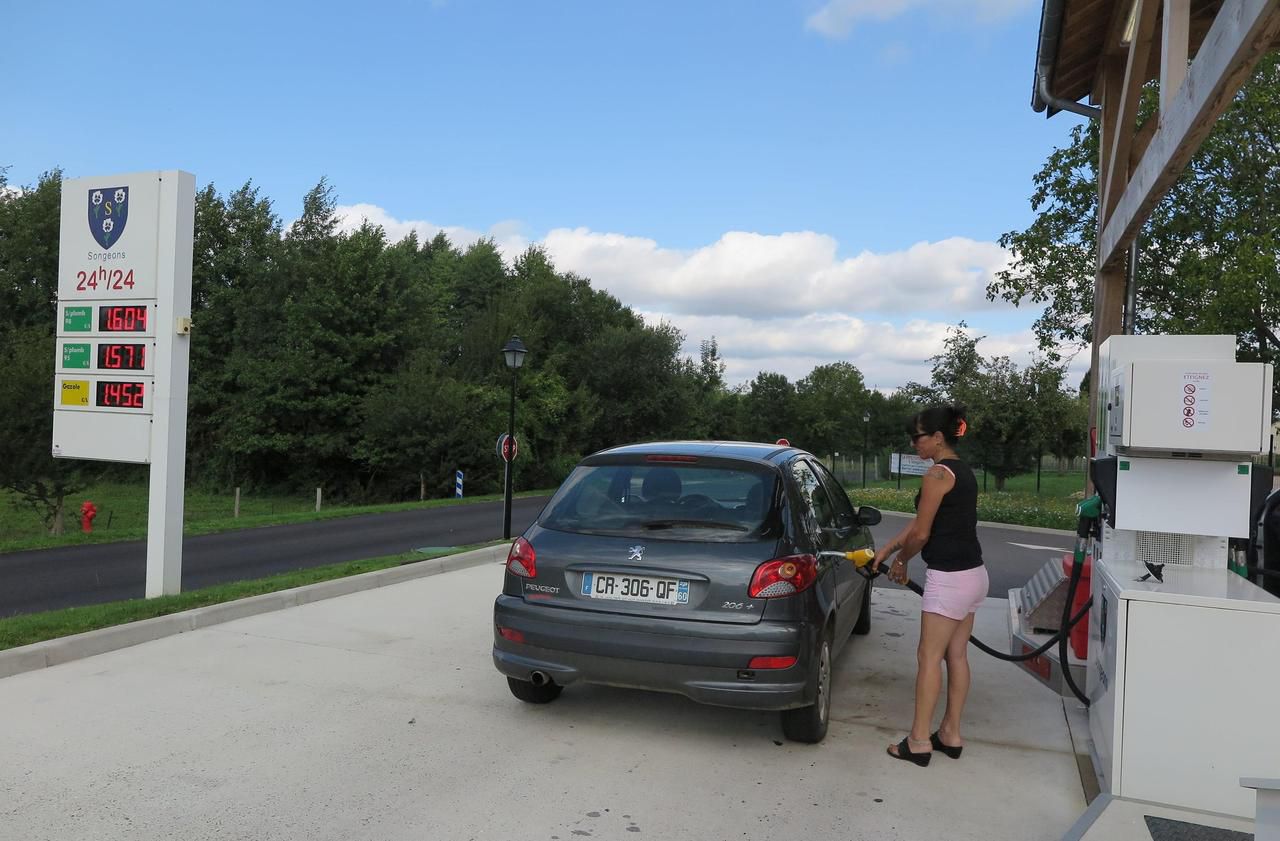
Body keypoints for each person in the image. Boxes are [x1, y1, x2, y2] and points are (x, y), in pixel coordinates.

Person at [872, 404, 986, 767]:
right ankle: (950, 734)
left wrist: (902, 561)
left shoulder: (936, 475)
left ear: (938, 437)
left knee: (928, 658)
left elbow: (922, 532)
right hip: (974, 575)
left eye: (918, 437)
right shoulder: (961, 471)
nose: (913, 443)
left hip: (948, 579)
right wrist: (888, 549)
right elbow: (924, 522)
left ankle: (919, 741)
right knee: (956, 655)